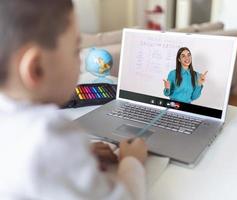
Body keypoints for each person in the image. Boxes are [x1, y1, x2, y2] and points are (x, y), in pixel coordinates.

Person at [0, 0, 147, 199]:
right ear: (36, 68)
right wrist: (131, 162)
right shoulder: (50, 135)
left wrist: (72, 157)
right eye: (76, 50)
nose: (80, 64)